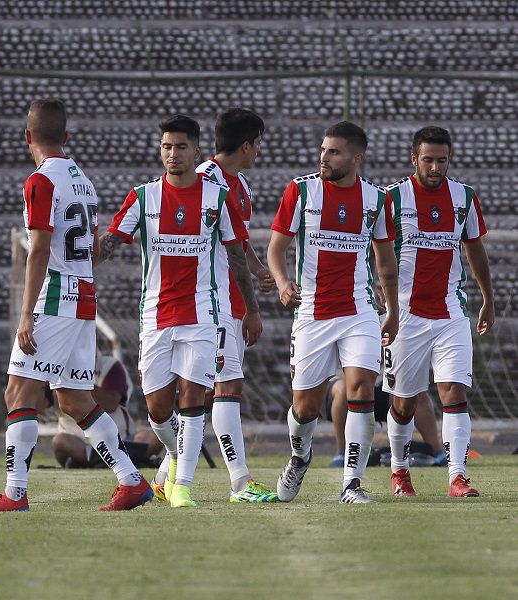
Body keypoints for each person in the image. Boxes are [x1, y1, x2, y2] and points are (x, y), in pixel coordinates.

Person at [0, 99, 151, 513]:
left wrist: (26, 313)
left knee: (19, 392)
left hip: (55, 299)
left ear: (27, 137)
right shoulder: (83, 181)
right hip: (84, 299)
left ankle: (15, 493)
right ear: (66, 137)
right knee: (73, 400)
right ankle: (132, 480)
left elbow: (40, 250)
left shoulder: (40, 181)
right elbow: (91, 252)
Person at [98, 114, 249, 508]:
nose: (173, 153)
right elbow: (111, 242)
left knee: (192, 396)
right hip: (156, 316)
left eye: (181, 146)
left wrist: (249, 309)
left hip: (204, 313)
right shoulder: (143, 197)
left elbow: (236, 257)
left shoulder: (217, 198)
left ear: (196, 151)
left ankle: (182, 485)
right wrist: (77, 249)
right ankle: (177, 455)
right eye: (167, 146)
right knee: (157, 407)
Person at [267, 121, 399, 504]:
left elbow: (386, 262)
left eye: (335, 151)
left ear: (357, 157)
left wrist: (390, 310)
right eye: (323, 150)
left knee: (361, 390)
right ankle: (299, 456)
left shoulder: (376, 199)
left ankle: (351, 483)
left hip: (359, 310)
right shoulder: (301, 190)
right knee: (305, 407)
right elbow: (276, 248)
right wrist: (281, 283)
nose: (325, 157)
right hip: (312, 312)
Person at [382, 126, 495, 497]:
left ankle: (458, 476)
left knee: (453, 391)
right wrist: (380, 301)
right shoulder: (392, 199)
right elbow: (374, 252)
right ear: (413, 158)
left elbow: (475, 249)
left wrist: (487, 299)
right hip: (406, 315)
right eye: (428, 160)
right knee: (404, 402)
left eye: (441, 160)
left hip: (451, 312)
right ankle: (400, 472)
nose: (435, 167)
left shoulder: (464, 197)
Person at [196, 107, 278, 503]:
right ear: (246, 145)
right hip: (212, 301)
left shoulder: (237, 183)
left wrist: (260, 267)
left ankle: (164, 475)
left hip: (227, 299)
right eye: (258, 143)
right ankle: (240, 482)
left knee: (206, 391)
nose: (259, 150)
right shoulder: (207, 182)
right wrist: (252, 308)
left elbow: (238, 242)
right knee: (225, 385)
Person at [47, 354, 160, 467]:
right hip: (80, 443)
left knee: (155, 437)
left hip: (121, 440)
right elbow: (39, 404)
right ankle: (128, 461)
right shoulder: (53, 367)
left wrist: (80, 380)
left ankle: (93, 462)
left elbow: (111, 403)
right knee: (60, 441)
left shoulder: (110, 365)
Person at [326, 375, 444, 467]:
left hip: (381, 381)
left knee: (415, 391)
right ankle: (342, 453)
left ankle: (436, 451)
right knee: (343, 388)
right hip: (344, 382)